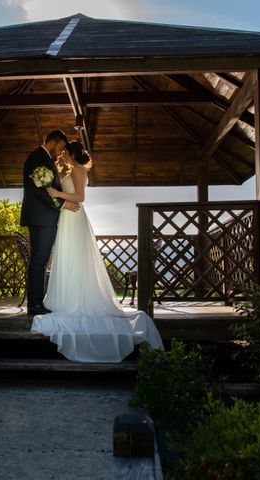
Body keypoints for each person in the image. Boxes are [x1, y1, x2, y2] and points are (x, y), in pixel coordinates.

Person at [31, 141, 164, 363]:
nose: (62, 155)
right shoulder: (73, 171)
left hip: (74, 219)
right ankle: (67, 298)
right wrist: (58, 196)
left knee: (75, 260)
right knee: (68, 260)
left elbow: (80, 198)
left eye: (65, 152)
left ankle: (76, 300)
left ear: (72, 153)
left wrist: (56, 193)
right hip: (68, 218)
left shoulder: (79, 171)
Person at [20, 130, 79, 316]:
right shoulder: (37, 158)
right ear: (53, 143)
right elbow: (41, 190)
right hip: (40, 219)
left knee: (40, 260)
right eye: (61, 148)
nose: (61, 153)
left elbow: (48, 188)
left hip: (44, 218)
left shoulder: (44, 159)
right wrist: (63, 205)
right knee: (39, 260)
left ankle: (37, 302)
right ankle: (35, 305)